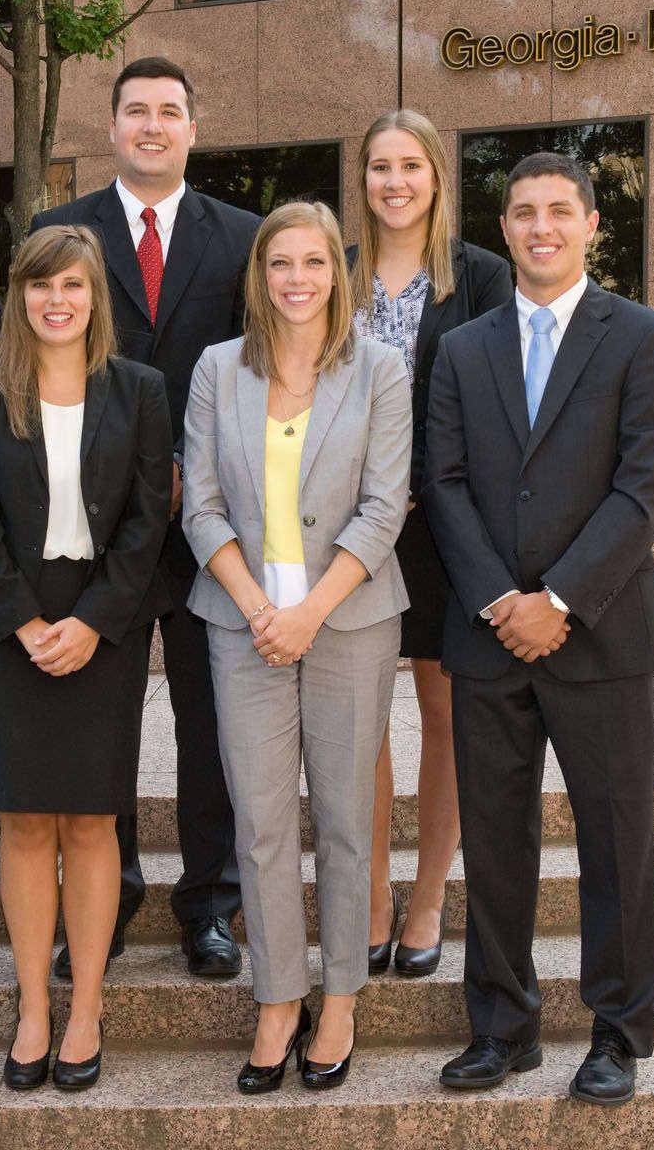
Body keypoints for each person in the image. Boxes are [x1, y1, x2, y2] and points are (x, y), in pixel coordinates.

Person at [425, 151, 654, 1105]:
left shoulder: (646, 337)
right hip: (488, 639)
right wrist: (503, 602)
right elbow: (443, 484)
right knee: (495, 839)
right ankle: (503, 1027)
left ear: (590, 225)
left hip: (604, 637)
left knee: (617, 840)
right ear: (505, 229)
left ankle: (617, 1031)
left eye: (559, 212)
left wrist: (562, 601)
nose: (542, 227)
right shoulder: (463, 349)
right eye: (524, 212)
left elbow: (645, 487)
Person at [32, 56, 261, 980]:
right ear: (114, 126)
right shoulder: (60, 232)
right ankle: (108, 892)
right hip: (96, 525)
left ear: (193, 130)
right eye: (137, 112)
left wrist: (193, 473)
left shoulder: (244, 237)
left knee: (211, 726)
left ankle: (209, 901)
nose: (153, 127)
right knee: (101, 721)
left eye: (170, 112)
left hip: (213, 527)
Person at [182, 201, 411, 1093]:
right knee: (263, 823)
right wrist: (256, 606)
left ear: (335, 272)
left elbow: (385, 506)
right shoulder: (215, 370)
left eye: (314, 262)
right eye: (281, 263)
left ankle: (342, 999)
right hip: (243, 628)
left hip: (347, 621)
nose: (298, 280)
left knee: (348, 821)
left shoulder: (380, 369)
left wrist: (309, 611)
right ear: (260, 275)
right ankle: (278, 999)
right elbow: (200, 503)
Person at [0, 225, 172, 1092]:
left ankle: (87, 1009)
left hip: (103, 630)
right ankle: (34, 1005)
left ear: (94, 298)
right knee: (26, 823)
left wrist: (92, 621)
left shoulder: (141, 390)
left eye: (73, 285)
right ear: (21, 298)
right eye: (41, 286)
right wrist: (22, 621)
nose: (56, 301)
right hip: (9, 629)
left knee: (91, 823)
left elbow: (149, 521)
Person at [347, 109, 510, 979]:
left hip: (447, 528)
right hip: (350, 533)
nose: (395, 182)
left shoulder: (481, 278)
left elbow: (494, 403)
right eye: (380, 166)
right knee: (360, 720)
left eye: (412, 165)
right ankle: (369, 894)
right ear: (363, 180)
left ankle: (427, 895)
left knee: (447, 716)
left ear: (437, 178)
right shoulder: (332, 273)